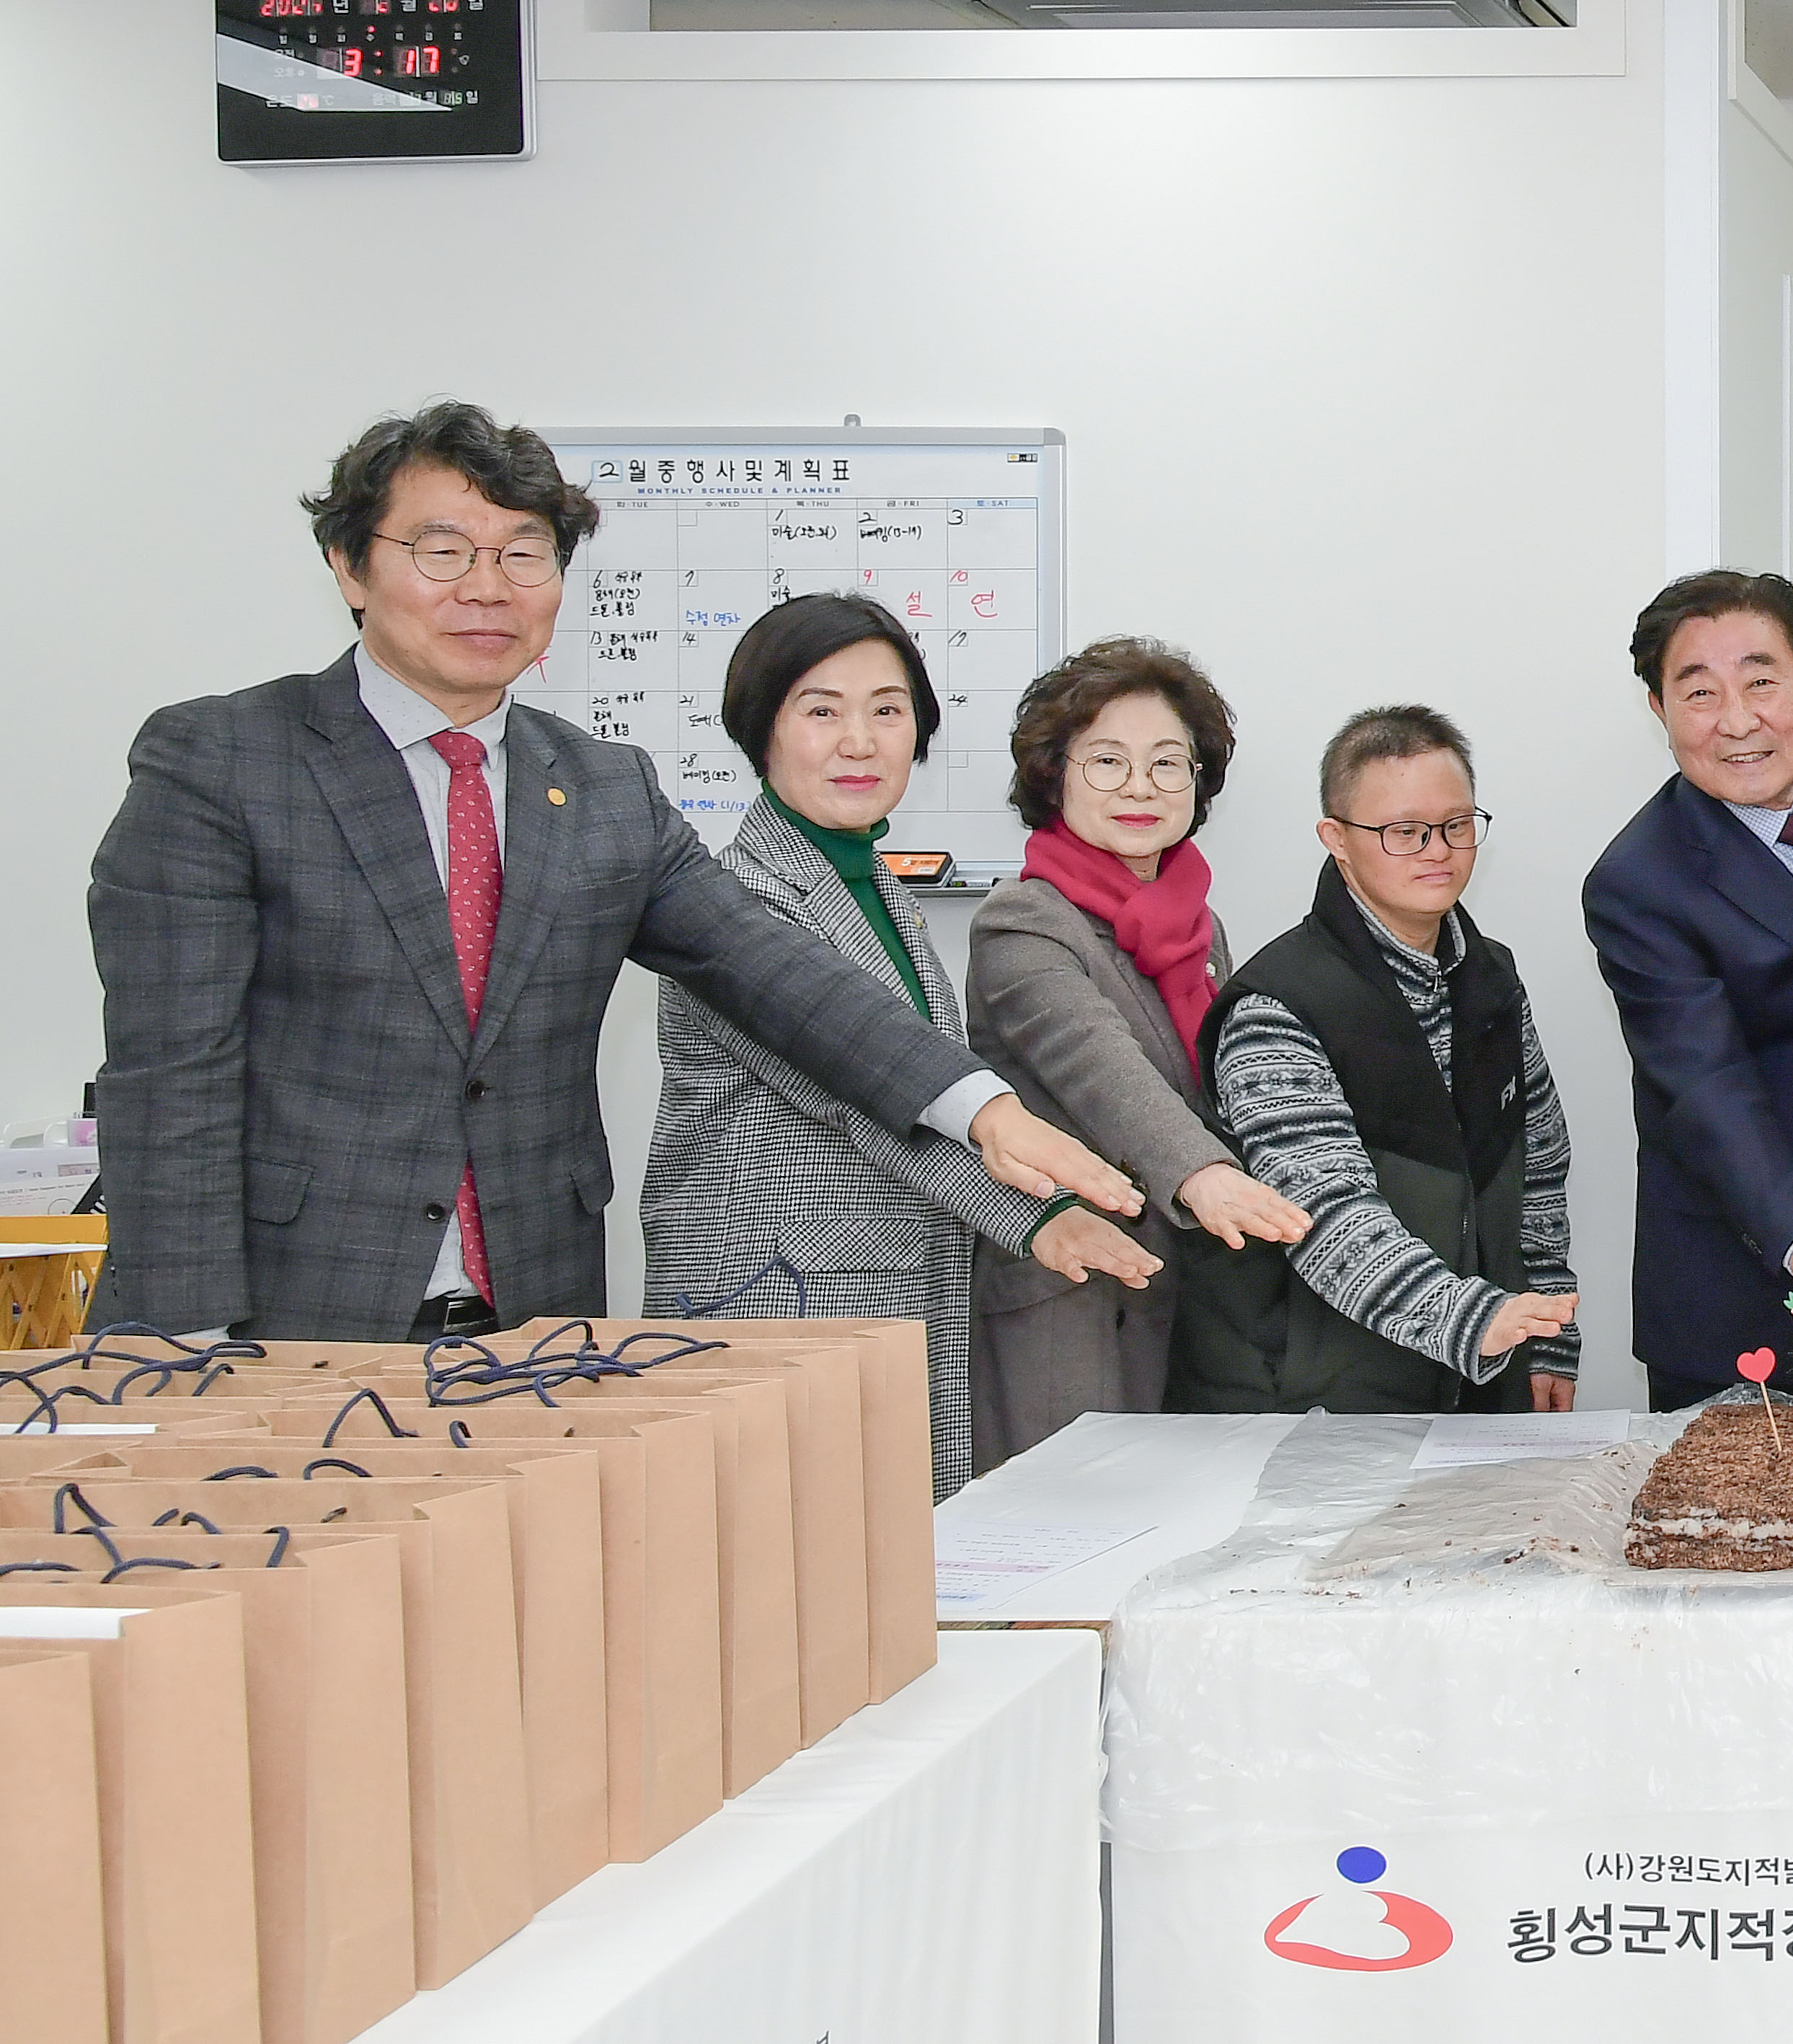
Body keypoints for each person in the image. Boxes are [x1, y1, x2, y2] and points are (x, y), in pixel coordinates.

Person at [85, 400, 1140, 1343]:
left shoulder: (601, 786)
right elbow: (173, 1071)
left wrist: (983, 1109)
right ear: (350, 567)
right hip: (282, 1318)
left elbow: (771, 969)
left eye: (525, 553)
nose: (488, 588)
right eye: (442, 550)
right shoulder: (225, 762)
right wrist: (183, 1342)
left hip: (531, 1323)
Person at [642, 593, 1165, 1490]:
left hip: (878, 1287)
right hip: (779, 1301)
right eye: (822, 711)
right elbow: (866, 1098)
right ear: (761, 730)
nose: (861, 742)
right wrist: (1038, 1215)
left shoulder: (875, 882)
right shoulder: (738, 903)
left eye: (887, 711)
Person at [966, 637, 1312, 1469]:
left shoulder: (1199, 926)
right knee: (1065, 1529)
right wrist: (1205, 1175)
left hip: (1185, 1288)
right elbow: (1102, 1067)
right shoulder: (1023, 922)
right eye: (1108, 761)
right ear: (1055, 776)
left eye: (1166, 763)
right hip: (1071, 1300)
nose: (1141, 786)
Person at [1582, 571, 1793, 1410]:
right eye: (1699, 693)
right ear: (1659, 710)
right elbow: (1710, 1095)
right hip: (1748, 1284)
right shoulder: (1639, 881)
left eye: (1761, 681)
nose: (1736, 721)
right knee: (1745, 1493)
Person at [1188, 705, 1581, 1413]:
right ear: (1336, 839)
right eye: (1405, 831)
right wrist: (1474, 1320)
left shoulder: (1492, 977)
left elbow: (1538, 1162)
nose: (1438, 850)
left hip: (1482, 1380)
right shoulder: (1278, 1004)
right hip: (1317, 1399)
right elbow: (1323, 1213)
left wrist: (1547, 1331)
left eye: (1457, 825)